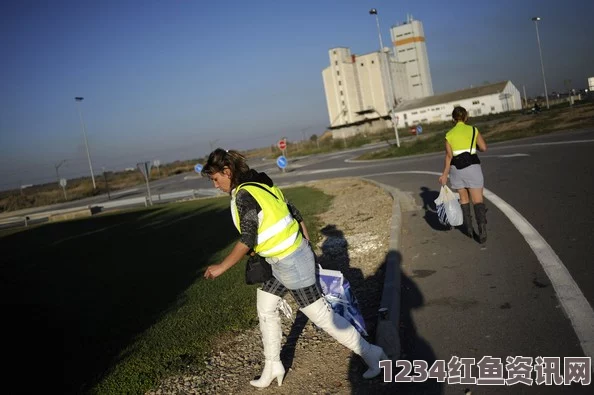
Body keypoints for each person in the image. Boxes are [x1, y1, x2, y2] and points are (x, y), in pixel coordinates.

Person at [202, 148, 386, 388]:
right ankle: (272, 365)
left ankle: (373, 355)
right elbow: (295, 213)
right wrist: (306, 247)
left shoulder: (244, 195)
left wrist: (221, 267)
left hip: (290, 262)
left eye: (216, 179)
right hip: (283, 260)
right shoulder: (260, 185)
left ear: (227, 172)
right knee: (265, 306)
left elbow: (247, 238)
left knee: (322, 316)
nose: (215, 185)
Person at [438, 107, 488, 243]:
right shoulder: (473, 130)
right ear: (466, 117)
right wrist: (474, 147)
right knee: (478, 201)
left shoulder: (449, 134)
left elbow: (449, 156)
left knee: (464, 199)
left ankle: (469, 229)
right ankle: (482, 231)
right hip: (472, 167)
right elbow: (483, 148)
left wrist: (444, 175)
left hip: (456, 169)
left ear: (453, 119)